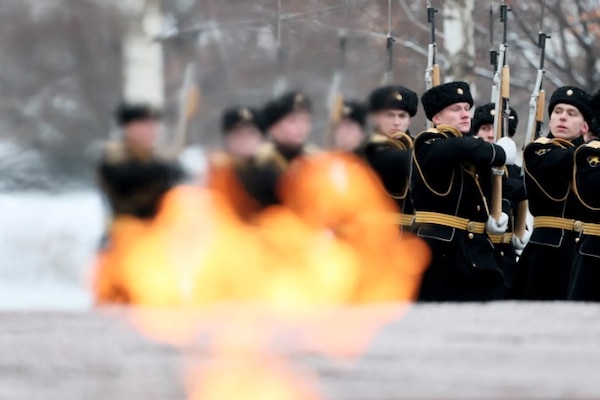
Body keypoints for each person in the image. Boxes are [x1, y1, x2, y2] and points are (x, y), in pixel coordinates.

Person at [411, 81, 516, 301]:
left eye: (467, 109)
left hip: (474, 248)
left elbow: (501, 188)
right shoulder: (429, 142)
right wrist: (498, 151)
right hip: (439, 249)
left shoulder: (473, 151)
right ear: (436, 118)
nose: (465, 114)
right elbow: (460, 147)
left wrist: (500, 211)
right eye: (456, 109)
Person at [514, 86, 593, 300]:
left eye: (571, 113)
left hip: (583, 250)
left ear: (585, 125)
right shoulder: (538, 149)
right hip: (545, 251)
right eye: (557, 112)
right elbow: (562, 161)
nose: (562, 118)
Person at [471, 103, 528, 296]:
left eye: (496, 130)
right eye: (485, 129)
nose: (490, 135)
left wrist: (521, 230)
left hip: (506, 254)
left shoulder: (515, 170)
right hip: (478, 252)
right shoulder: (472, 165)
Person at [97, 103, 185, 225]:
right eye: (143, 124)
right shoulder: (114, 155)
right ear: (127, 127)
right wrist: (166, 169)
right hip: (126, 232)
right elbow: (124, 176)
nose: (150, 130)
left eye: (153, 125)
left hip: (159, 232)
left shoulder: (155, 157)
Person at [355, 85, 418, 230]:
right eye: (390, 115)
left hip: (412, 236)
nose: (396, 122)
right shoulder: (365, 149)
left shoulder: (419, 146)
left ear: (410, 120)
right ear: (377, 118)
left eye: (402, 116)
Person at [205, 105, 279, 222]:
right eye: (238, 134)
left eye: (251, 134)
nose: (244, 140)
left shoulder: (276, 171)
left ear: (262, 139)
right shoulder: (215, 172)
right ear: (227, 139)